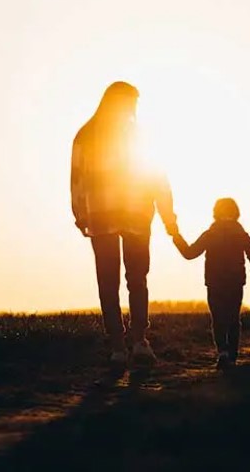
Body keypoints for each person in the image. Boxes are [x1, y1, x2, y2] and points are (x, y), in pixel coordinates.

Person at [71, 81, 178, 366]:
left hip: (130, 214)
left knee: (126, 279)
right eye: (130, 103)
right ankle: (124, 343)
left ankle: (134, 341)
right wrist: (80, 213)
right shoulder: (89, 136)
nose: (133, 109)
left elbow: (157, 178)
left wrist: (169, 217)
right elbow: (78, 178)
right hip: (115, 214)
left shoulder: (104, 134)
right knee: (122, 280)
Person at [172, 198, 250, 369]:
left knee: (218, 318)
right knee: (233, 317)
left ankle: (223, 353)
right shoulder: (240, 234)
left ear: (215, 213)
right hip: (235, 281)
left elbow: (190, 253)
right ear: (236, 213)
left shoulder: (210, 234)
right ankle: (232, 355)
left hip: (214, 281)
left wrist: (176, 237)